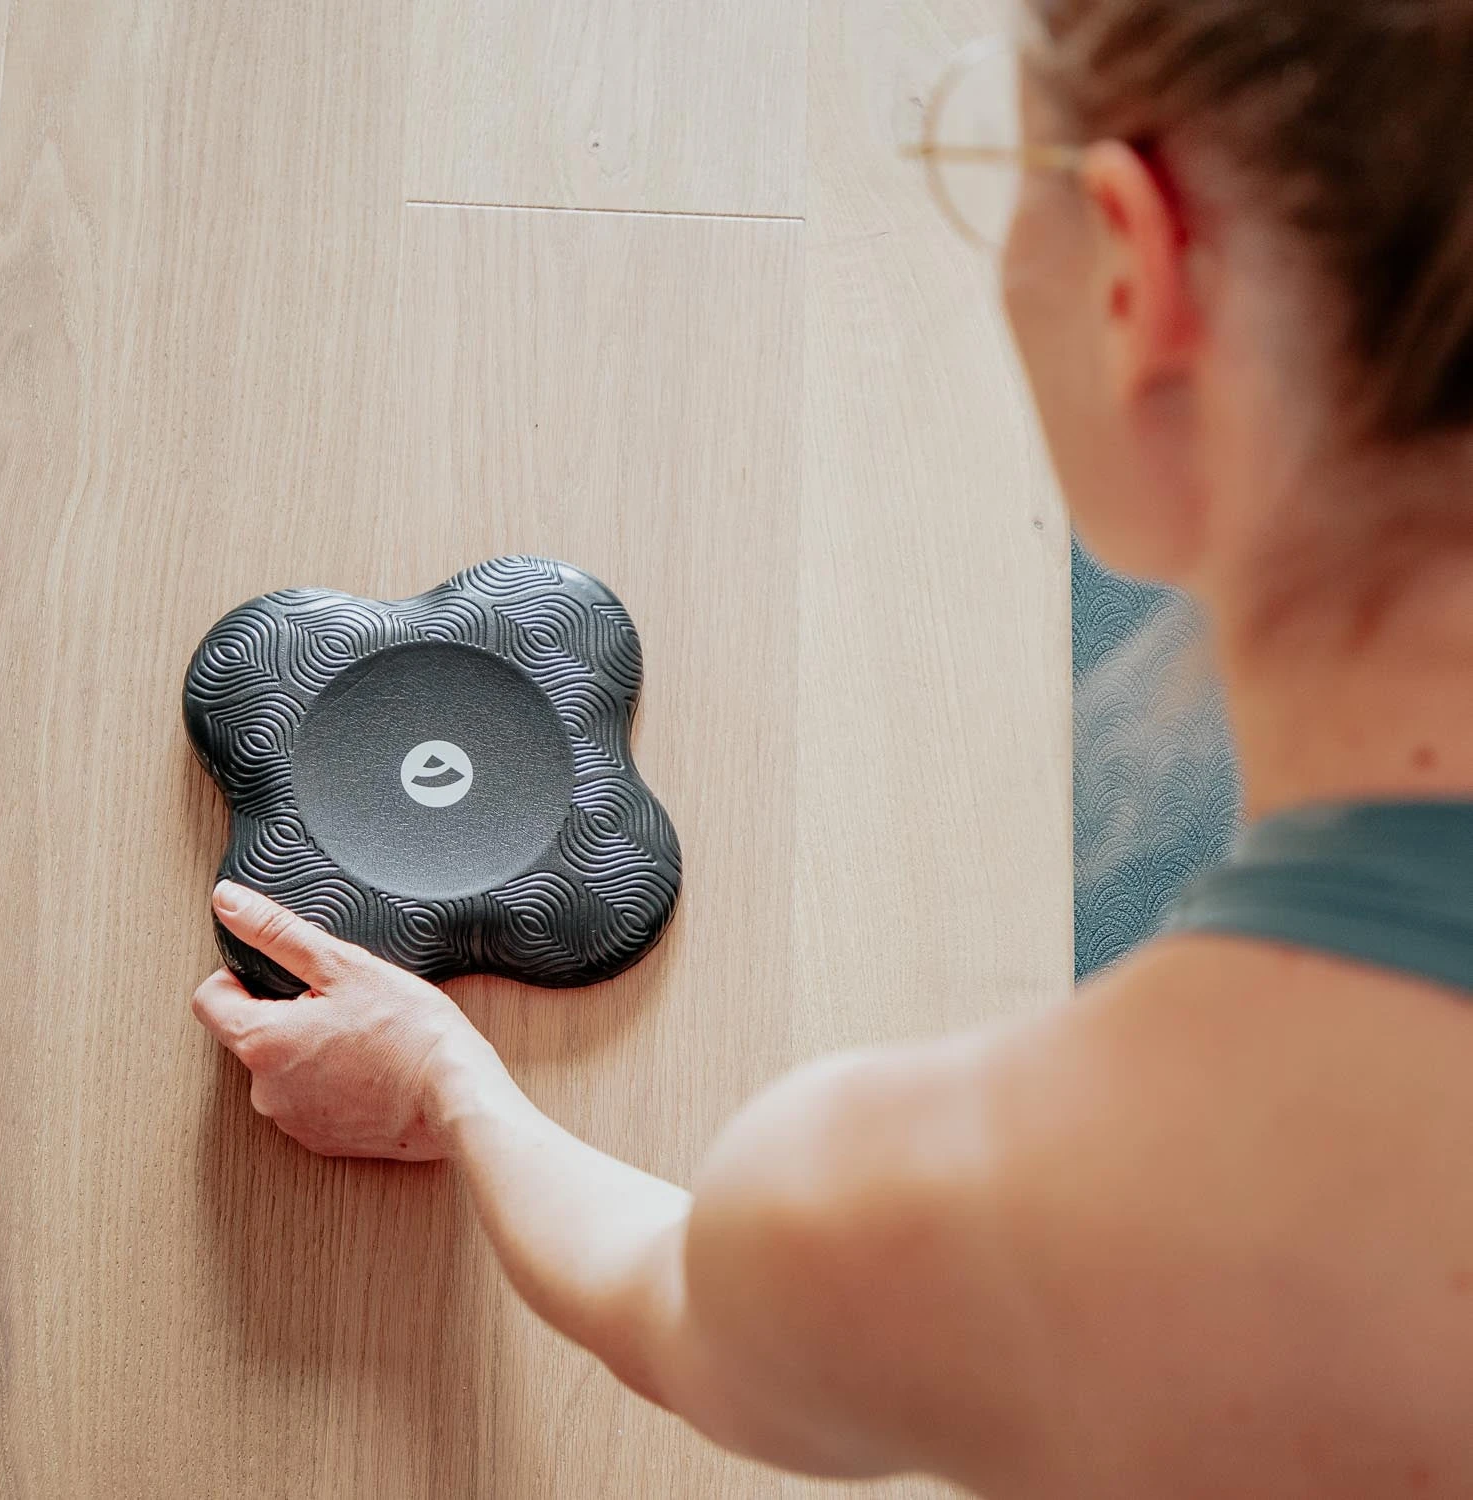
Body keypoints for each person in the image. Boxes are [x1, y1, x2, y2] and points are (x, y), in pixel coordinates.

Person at [190, 2, 1473, 1493]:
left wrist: (446, 1080)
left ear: (1139, 270)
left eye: (1006, 162)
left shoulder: (936, 1208)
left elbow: (670, 1304)